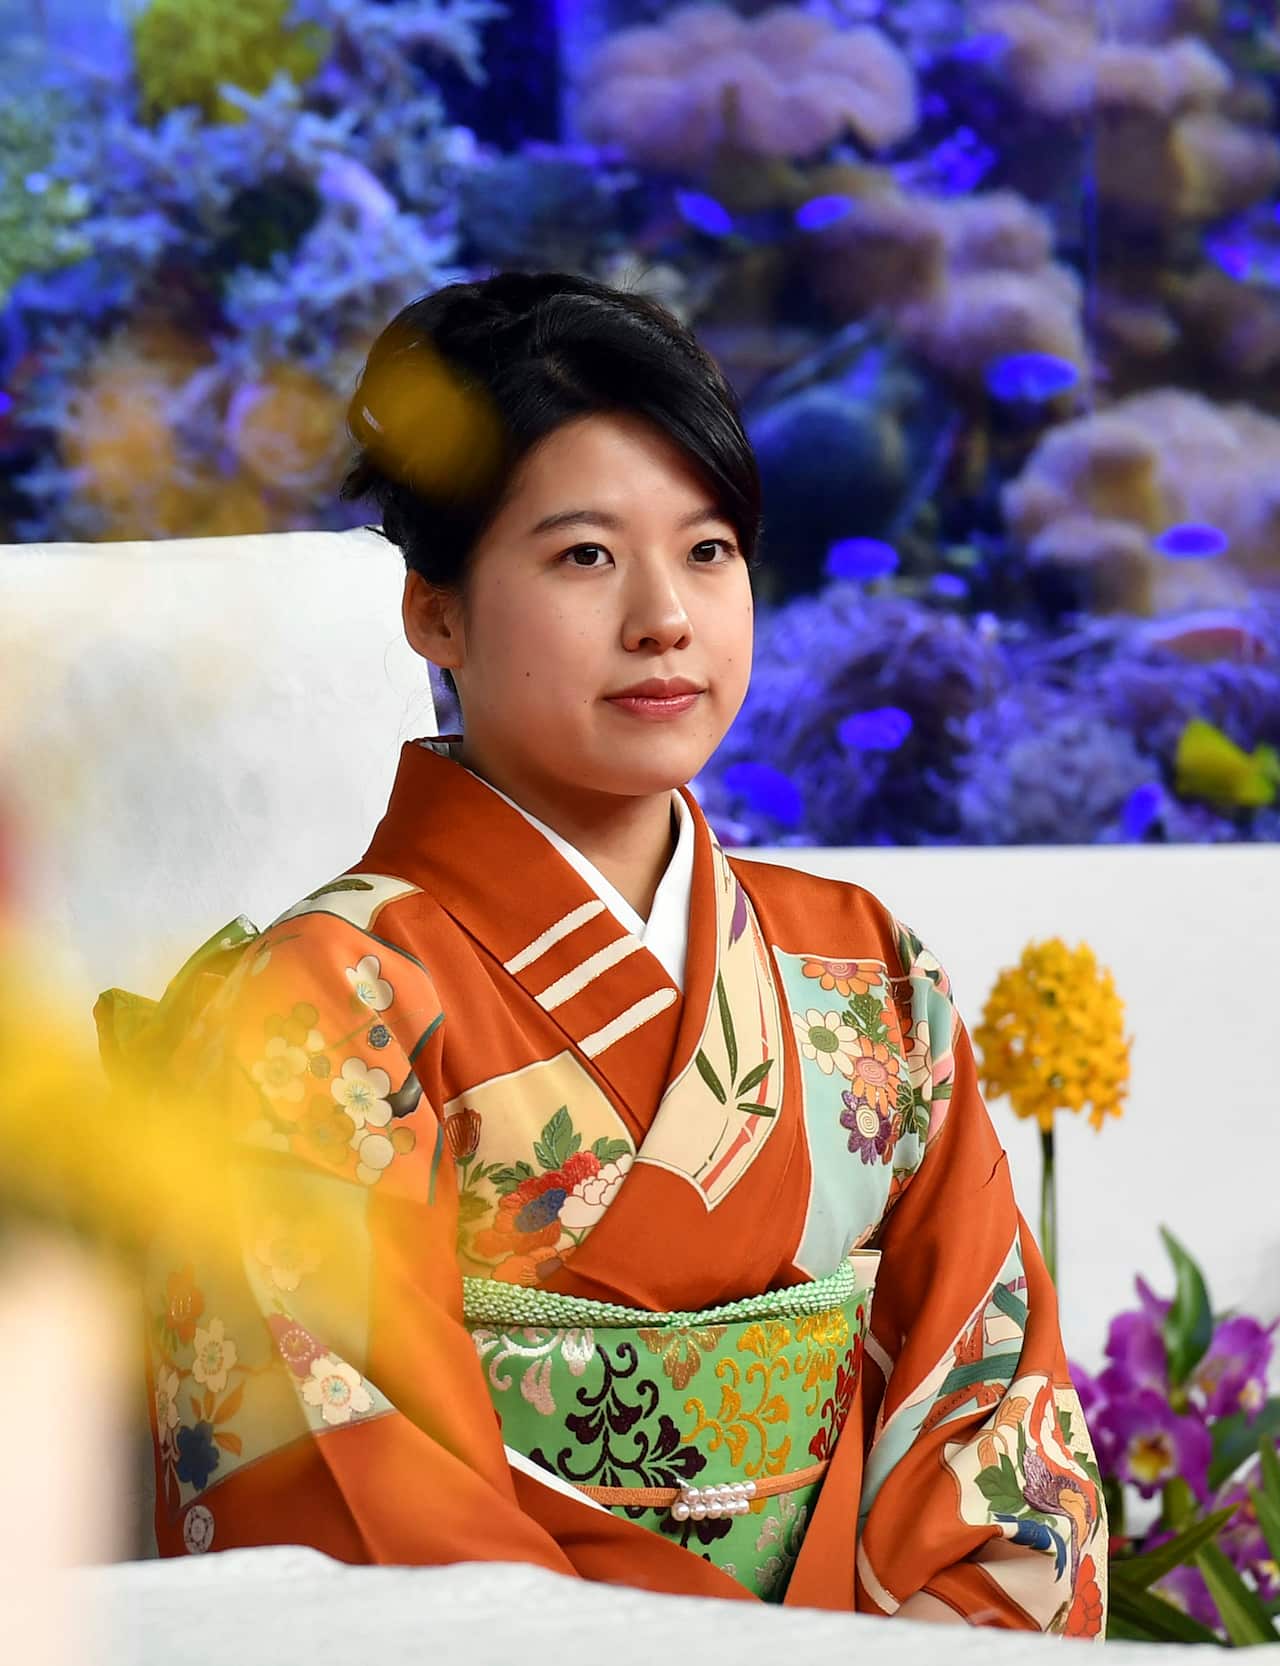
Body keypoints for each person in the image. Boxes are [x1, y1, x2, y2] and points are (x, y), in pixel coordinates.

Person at [120, 272, 1107, 1631]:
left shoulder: (865, 971)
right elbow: (349, 1476)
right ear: (435, 611)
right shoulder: (324, 1004)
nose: (665, 616)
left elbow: (991, 1411)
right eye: (585, 554)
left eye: (708, 550)